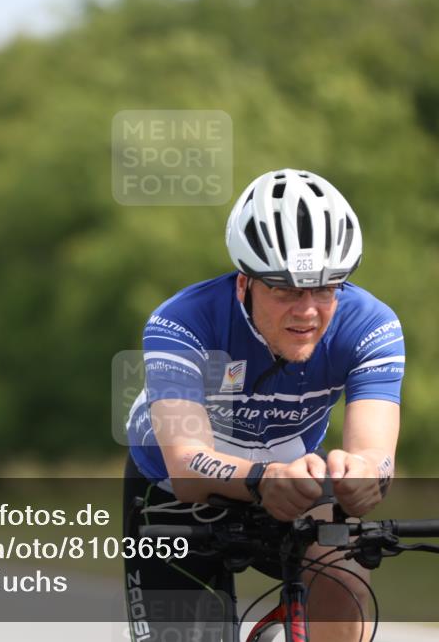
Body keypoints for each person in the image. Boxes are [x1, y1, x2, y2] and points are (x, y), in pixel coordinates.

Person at [123, 169, 404, 642]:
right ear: (244, 283)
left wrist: (361, 478)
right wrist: (261, 478)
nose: (308, 310)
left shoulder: (370, 327)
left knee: (344, 574)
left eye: (325, 288)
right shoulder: (184, 323)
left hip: (291, 479)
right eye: (286, 289)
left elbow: (375, 455)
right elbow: (187, 463)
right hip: (174, 492)